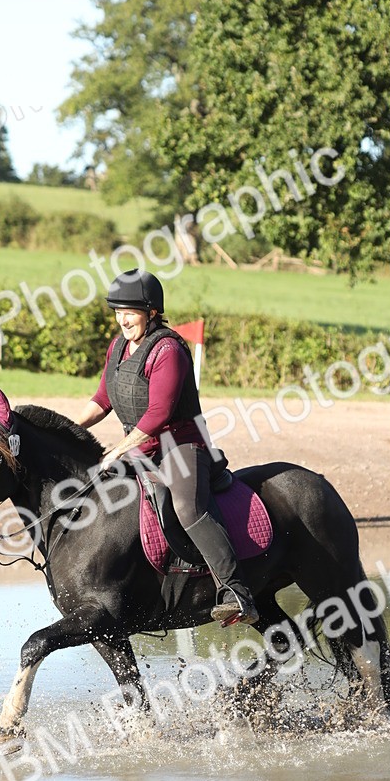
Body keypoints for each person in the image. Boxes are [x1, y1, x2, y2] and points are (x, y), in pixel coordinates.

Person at [75, 268, 258, 626]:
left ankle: (236, 591)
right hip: (140, 447)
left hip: (182, 446)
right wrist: (69, 428)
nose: (122, 319)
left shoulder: (168, 349)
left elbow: (159, 413)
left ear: (152, 312)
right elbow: (102, 399)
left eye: (130, 312)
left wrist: (118, 448)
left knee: (187, 507)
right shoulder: (118, 348)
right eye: (118, 311)